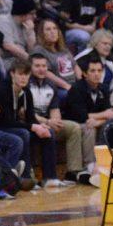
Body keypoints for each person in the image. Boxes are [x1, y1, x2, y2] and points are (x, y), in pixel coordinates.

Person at [0, 58, 68, 187]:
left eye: (26, 74)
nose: (23, 78)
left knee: (48, 132)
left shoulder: (26, 91)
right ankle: (26, 177)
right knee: (24, 133)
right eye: (20, 74)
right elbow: (6, 121)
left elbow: (30, 116)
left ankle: (50, 178)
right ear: (12, 74)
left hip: (15, 126)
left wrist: (40, 126)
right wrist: (32, 126)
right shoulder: (2, 90)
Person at [28, 52, 94, 183]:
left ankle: (73, 172)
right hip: (31, 123)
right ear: (30, 68)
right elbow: (25, 113)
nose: (41, 69)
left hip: (48, 122)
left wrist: (55, 122)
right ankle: (44, 177)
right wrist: (47, 122)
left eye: (44, 66)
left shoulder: (51, 85)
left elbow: (55, 109)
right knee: (49, 131)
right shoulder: (26, 84)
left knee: (73, 127)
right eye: (37, 66)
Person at [62, 53, 113, 139]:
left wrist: (98, 122)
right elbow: (82, 116)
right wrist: (104, 114)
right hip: (75, 123)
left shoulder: (104, 88)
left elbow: (110, 114)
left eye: (99, 71)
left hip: (93, 122)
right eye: (93, 71)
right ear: (85, 73)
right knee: (89, 129)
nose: (97, 74)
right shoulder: (76, 88)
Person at [32, 18, 76, 91]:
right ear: (42, 33)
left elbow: (75, 66)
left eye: (55, 28)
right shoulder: (39, 50)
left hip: (73, 85)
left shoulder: (63, 48)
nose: (53, 32)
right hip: (57, 88)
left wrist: (83, 84)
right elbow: (45, 72)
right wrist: (67, 86)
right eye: (48, 29)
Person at [0, 0, 37, 65]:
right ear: (23, 14)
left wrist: (30, 34)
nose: (35, 16)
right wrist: (31, 61)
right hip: (4, 61)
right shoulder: (3, 20)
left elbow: (32, 52)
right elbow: (8, 46)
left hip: (21, 62)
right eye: (32, 13)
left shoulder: (27, 26)